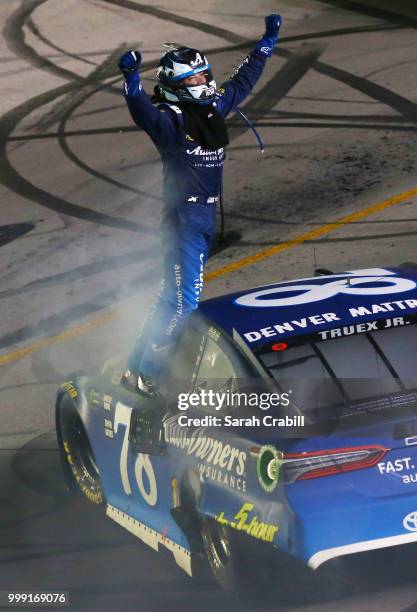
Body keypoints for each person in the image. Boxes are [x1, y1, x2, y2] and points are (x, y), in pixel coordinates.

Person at [118, 14, 282, 395]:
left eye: (205, 75)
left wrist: (267, 41)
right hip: (184, 221)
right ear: (176, 86)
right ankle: (147, 374)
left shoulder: (213, 110)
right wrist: (130, 80)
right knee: (184, 304)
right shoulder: (170, 122)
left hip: (202, 219)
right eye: (193, 79)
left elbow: (244, 81)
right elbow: (142, 111)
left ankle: (134, 367)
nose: (204, 82)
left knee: (169, 299)